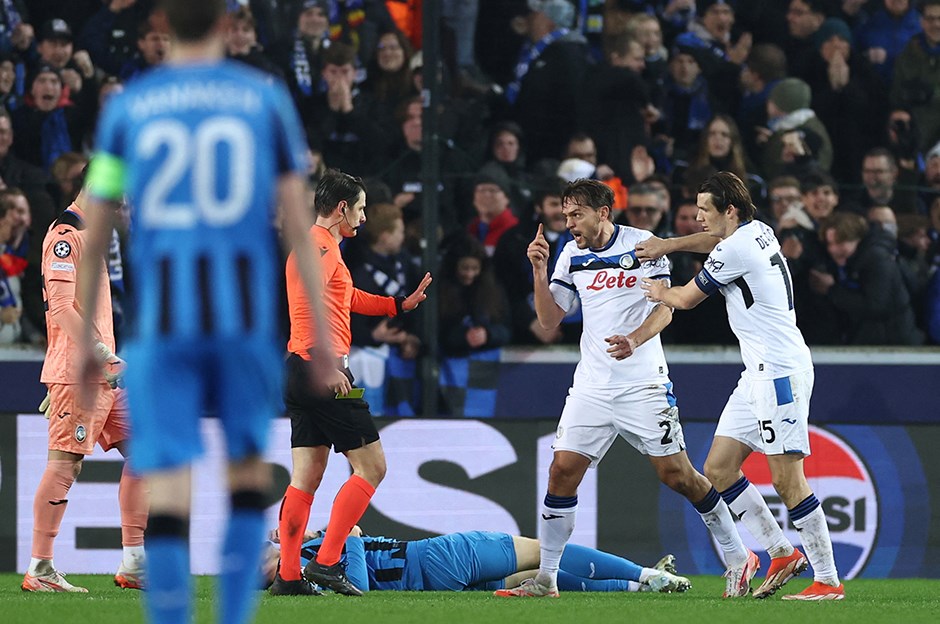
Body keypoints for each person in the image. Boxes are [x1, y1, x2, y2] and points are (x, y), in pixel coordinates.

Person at [79, 2, 330, 622]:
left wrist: (86, 336)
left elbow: (95, 227)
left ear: (162, 26)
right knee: (246, 476)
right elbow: (300, 226)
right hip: (243, 322)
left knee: (168, 483)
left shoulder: (128, 107)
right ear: (224, 25)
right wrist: (321, 334)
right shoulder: (264, 98)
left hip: (162, 325)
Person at [496, 179, 755, 600]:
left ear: (603, 212)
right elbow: (548, 321)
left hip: (643, 384)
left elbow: (665, 309)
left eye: (576, 214)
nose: (569, 223)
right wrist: (539, 271)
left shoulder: (643, 246)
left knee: (678, 475)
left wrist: (634, 338)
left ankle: (739, 557)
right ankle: (546, 578)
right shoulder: (570, 254)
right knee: (562, 471)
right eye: (564, 215)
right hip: (592, 387)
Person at [636, 171, 845, 600]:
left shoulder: (736, 248)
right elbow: (713, 244)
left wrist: (659, 290)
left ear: (728, 210)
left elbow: (686, 299)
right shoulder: (757, 231)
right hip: (758, 372)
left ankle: (827, 579)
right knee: (719, 468)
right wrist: (669, 244)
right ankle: (781, 552)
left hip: (779, 373)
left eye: (704, 211)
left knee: (788, 480)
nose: (697, 218)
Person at [275, 169, 432, 597]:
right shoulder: (320, 249)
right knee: (373, 466)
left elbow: (344, 297)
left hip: (299, 368)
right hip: (321, 367)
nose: (364, 217)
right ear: (342, 208)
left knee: (305, 477)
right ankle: (326, 563)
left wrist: (397, 305)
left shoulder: (319, 247)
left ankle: (289, 577)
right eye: (360, 209)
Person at [23, 172, 148, 593]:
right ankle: (40, 568)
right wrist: (101, 356)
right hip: (81, 372)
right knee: (65, 464)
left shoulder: (93, 236)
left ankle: (134, 561)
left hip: (104, 375)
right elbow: (59, 307)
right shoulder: (65, 235)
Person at [262, 525, 691, 594]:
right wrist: (348, 535)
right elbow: (360, 582)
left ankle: (638, 586)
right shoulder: (314, 562)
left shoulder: (306, 576)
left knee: (538, 579)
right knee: (548, 551)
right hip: (442, 557)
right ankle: (644, 573)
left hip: (433, 587)